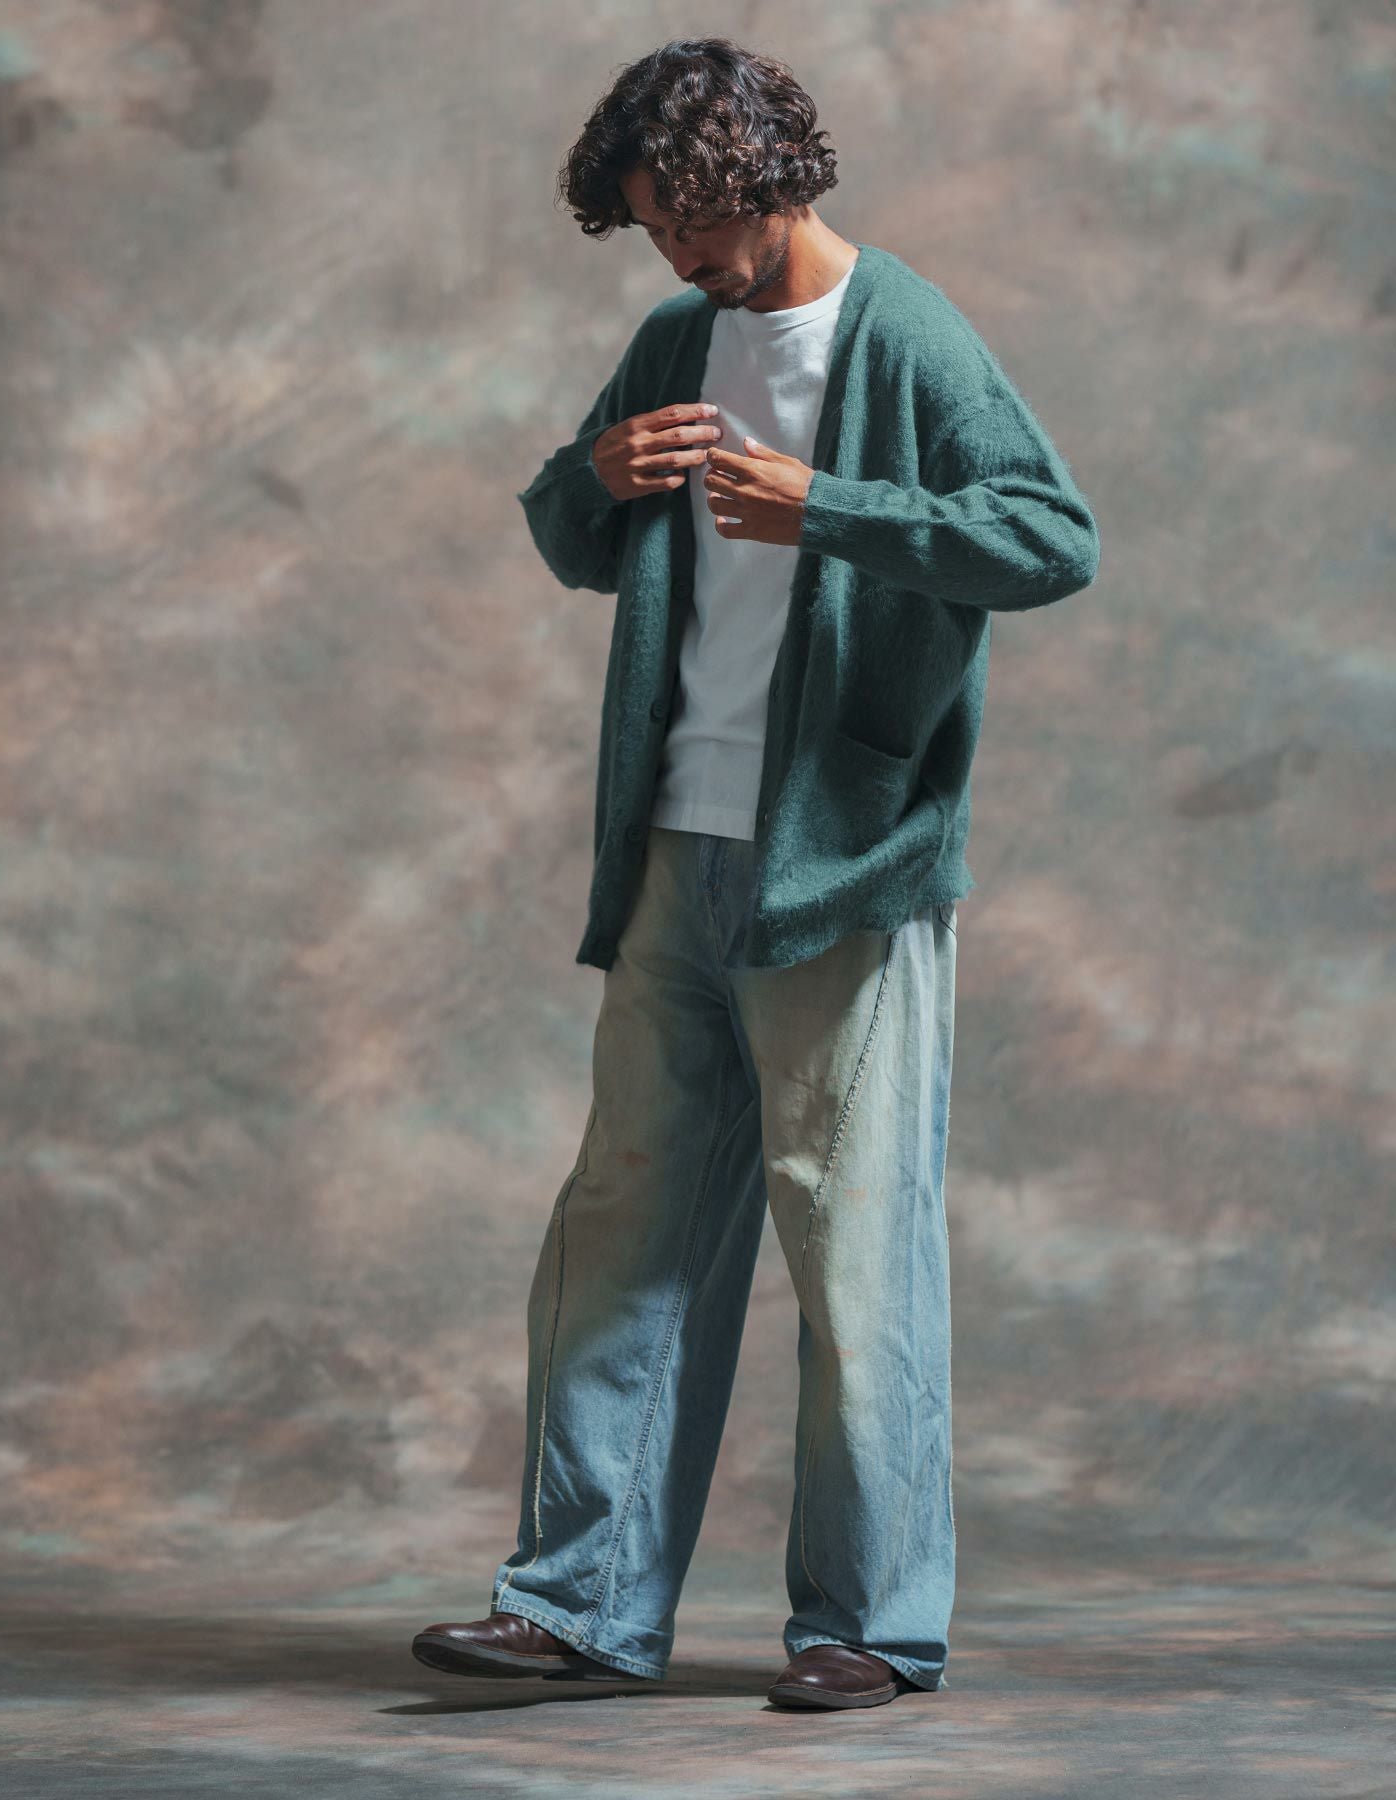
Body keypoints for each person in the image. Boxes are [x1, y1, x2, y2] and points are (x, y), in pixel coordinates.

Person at [413, 36, 1099, 1712]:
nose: (676, 255)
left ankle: (871, 1625)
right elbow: (577, 537)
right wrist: (591, 479)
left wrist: (833, 506)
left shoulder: (907, 334)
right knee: (622, 1227)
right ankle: (580, 1604)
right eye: (652, 227)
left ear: (770, 178)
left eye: (691, 221)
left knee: (855, 1250)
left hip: (841, 867)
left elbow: (1049, 537)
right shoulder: (675, 339)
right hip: (674, 849)